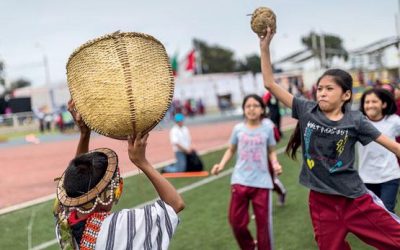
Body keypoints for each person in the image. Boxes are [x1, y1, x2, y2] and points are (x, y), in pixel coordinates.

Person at [260, 27, 400, 249]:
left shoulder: (356, 121)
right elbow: (269, 83)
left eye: (329, 89)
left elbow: (394, 147)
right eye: (320, 89)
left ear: (345, 95)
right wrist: (264, 47)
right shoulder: (306, 109)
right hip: (320, 203)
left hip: (355, 200)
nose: (322, 93)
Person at [53, 100, 185, 249]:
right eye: (115, 184)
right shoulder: (121, 226)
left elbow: (77, 180)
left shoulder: (63, 224)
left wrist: (85, 134)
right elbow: (175, 205)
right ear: (105, 196)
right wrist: (142, 162)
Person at [211, 94, 282, 250]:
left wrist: (275, 164)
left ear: (262, 109)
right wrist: (221, 164)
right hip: (240, 180)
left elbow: (271, 151)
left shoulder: (268, 128)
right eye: (248, 106)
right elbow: (231, 149)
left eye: (256, 105)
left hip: (262, 183)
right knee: (236, 223)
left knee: (263, 226)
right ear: (243, 109)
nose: (251, 109)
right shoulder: (238, 129)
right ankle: (250, 246)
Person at [358, 88, 400, 213]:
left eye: (374, 102)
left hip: (390, 176)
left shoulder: (394, 120)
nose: (370, 105)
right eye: (367, 102)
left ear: (384, 104)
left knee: (386, 213)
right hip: (366, 178)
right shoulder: (358, 123)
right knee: (370, 215)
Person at [263, 117, 287, 206]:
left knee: (271, 180)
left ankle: (282, 192)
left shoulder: (267, 123)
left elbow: (277, 137)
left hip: (267, 155)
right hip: (254, 159)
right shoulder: (246, 124)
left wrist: (268, 142)